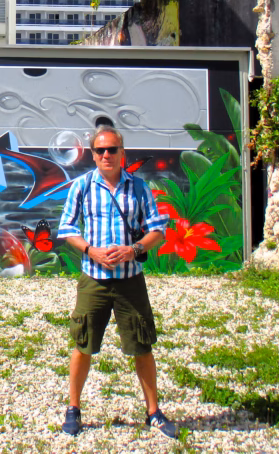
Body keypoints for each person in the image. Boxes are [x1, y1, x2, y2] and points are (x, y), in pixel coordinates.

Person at [56, 124, 177, 438]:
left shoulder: (139, 187)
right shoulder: (82, 186)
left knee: (142, 345)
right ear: (93, 155)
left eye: (112, 149)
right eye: (101, 150)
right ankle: (73, 409)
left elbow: (157, 230)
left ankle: (153, 412)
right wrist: (91, 251)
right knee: (83, 344)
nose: (106, 155)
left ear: (122, 153)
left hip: (129, 279)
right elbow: (67, 228)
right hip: (94, 279)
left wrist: (133, 249)